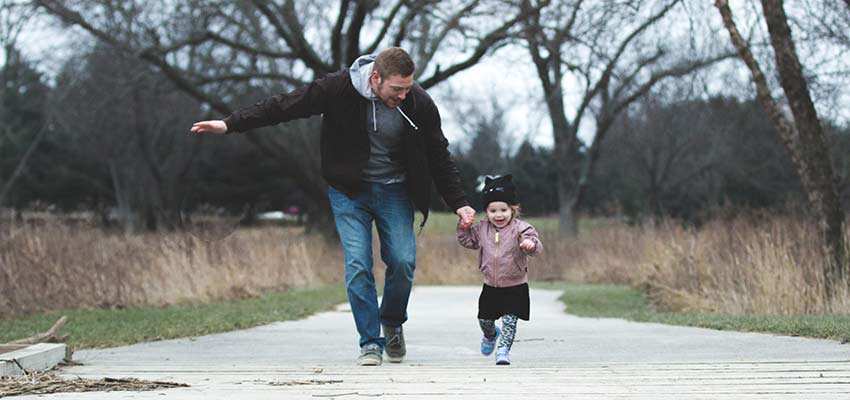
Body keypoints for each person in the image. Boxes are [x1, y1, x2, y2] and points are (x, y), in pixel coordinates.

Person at [190, 47, 476, 366]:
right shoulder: (337, 88)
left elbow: (439, 154)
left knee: (403, 261)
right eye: (397, 89)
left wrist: (460, 204)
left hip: (394, 189)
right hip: (349, 190)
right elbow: (285, 106)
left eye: (408, 87)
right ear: (375, 77)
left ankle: (392, 321)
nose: (402, 95)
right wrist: (230, 124)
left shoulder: (418, 102)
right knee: (357, 265)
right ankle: (370, 342)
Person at [456, 174, 542, 365]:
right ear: (486, 211)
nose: (499, 215)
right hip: (490, 286)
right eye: (493, 210)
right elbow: (467, 241)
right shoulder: (481, 229)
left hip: (515, 286)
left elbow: (536, 245)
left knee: (510, 322)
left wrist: (530, 244)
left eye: (503, 210)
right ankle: (491, 334)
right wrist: (463, 228)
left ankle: (503, 351)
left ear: (513, 209)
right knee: (484, 320)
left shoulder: (521, 229)